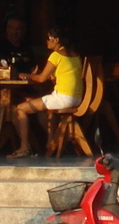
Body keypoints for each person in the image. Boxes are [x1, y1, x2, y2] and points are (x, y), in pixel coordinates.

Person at [9, 27, 83, 158]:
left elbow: (41, 78)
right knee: (43, 110)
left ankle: (24, 147)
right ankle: (53, 143)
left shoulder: (56, 55)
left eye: (49, 39)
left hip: (63, 97)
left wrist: (28, 75)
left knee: (21, 108)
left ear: (56, 40)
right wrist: (53, 77)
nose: (46, 42)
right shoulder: (75, 55)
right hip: (76, 98)